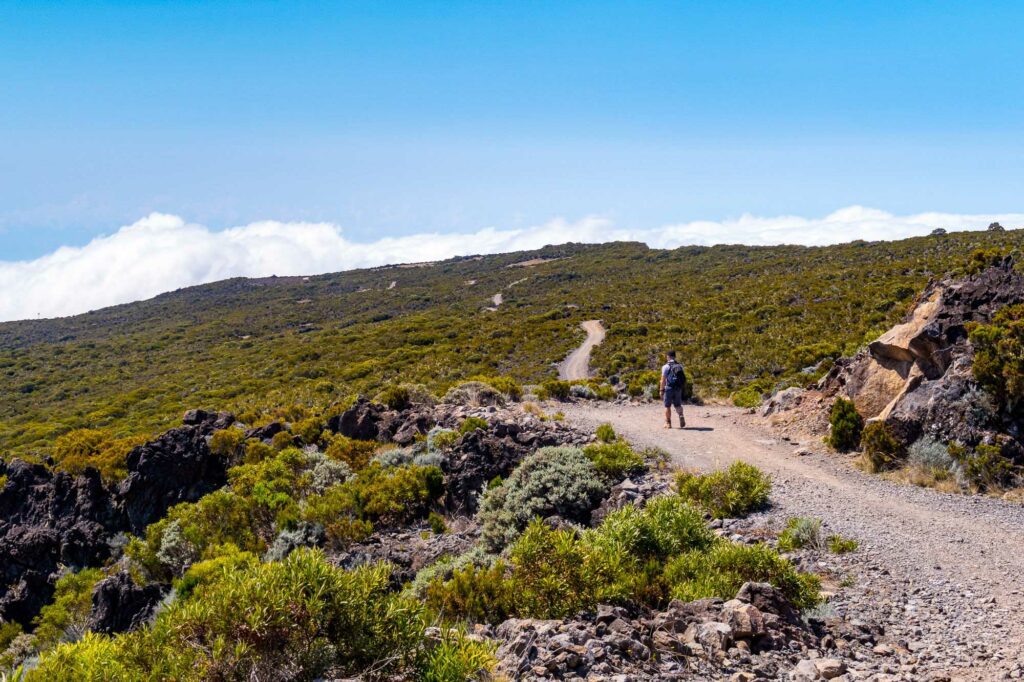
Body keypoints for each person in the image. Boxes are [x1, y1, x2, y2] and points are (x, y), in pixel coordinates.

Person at [660, 350, 686, 429]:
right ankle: (681, 415)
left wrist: (661, 390)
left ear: (668, 356)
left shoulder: (666, 366)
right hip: (678, 388)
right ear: (674, 356)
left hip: (669, 388)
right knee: (678, 405)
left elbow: (663, 380)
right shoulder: (680, 366)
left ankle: (668, 423)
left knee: (667, 406)